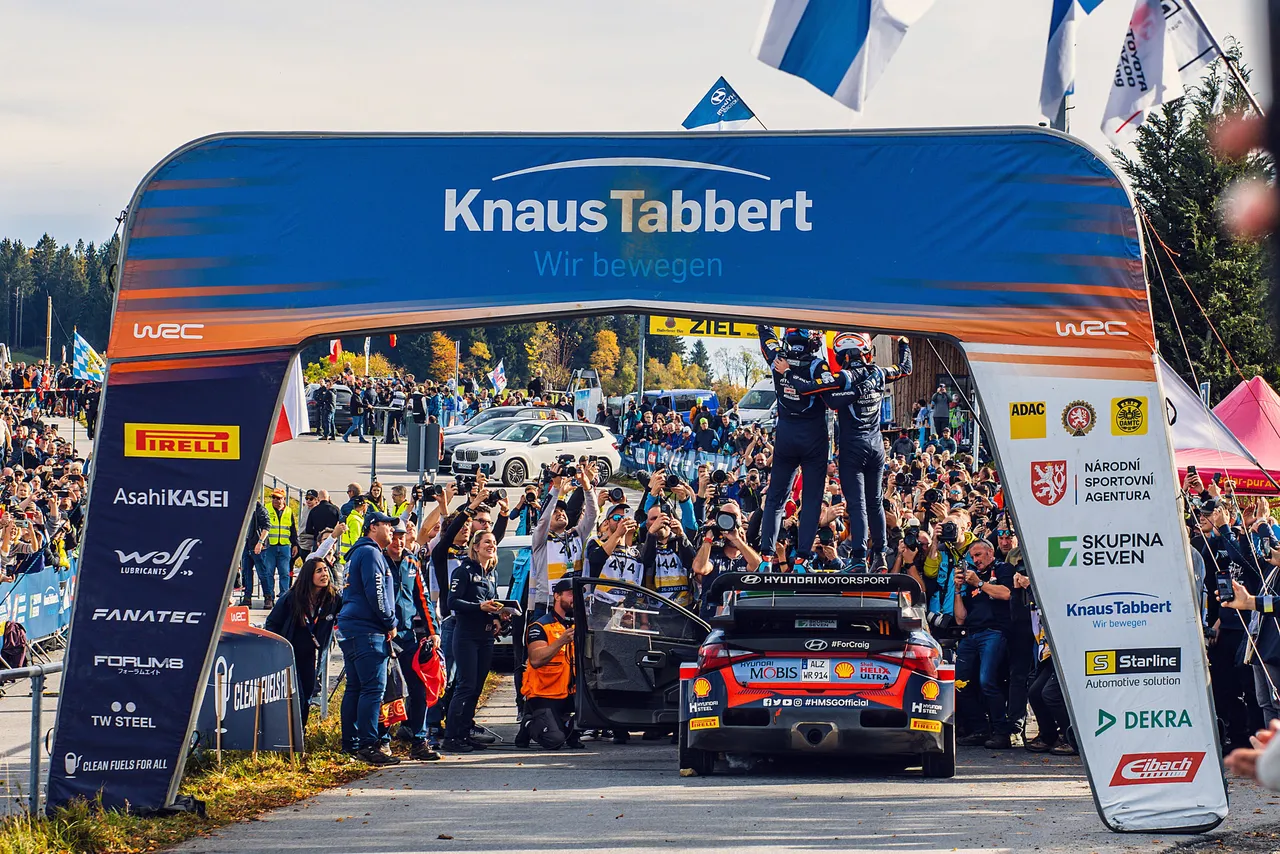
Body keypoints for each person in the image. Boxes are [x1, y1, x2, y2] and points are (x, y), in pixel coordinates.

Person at [786, 332, 911, 571]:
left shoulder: (842, 376)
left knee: (857, 504)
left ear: (841, 356)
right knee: (875, 502)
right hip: (876, 447)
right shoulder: (879, 372)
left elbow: (810, 390)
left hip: (853, 448)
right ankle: (880, 557)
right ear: (867, 352)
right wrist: (903, 342)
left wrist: (788, 373)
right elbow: (906, 367)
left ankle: (857, 560)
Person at [755, 325, 830, 570]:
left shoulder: (778, 357)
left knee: (776, 498)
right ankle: (801, 558)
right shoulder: (818, 366)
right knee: (811, 500)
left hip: (786, 436)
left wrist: (764, 325)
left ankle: (766, 557)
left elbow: (766, 339)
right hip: (814, 438)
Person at [335, 510, 400, 765]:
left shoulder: (359, 552)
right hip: (367, 629)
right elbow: (377, 593)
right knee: (373, 689)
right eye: (388, 525)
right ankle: (368, 745)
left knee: (356, 687)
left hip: (353, 626)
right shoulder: (371, 553)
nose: (392, 530)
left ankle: (350, 744)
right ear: (373, 527)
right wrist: (389, 621)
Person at [444, 529, 508, 753]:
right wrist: (479, 607)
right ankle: (451, 736)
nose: (491, 546)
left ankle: (465, 733)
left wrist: (498, 616)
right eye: (487, 542)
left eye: (494, 542)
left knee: (477, 687)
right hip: (466, 635)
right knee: (465, 685)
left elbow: (488, 603)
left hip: (485, 636)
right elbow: (453, 602)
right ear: (476, 546)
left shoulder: (492, 573)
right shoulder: (464, 571)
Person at [385, 518, 441, 761]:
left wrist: (433, 630)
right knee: (388, 690)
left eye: (402, 536)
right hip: (383, 635)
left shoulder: (411, 560)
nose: (398, 541)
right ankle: (382, 739)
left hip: (408, 635)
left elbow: (423, 598)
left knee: (418, 689)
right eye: (394, 536)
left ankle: (419, 740)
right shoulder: (377, 559)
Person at [264, 558, 341, 726]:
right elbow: (271, 623)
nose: (324, 574)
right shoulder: (292, 597)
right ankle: (288, 735)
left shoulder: (332, 598)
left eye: (325, 570)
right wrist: (277, 649)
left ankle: (300, 736)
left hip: (311, 654)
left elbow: (347, 614)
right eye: (319, 571)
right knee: (295, 694)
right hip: (289, 653)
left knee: (307, 694)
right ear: (308, 576)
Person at [954, 539, 1015, 749]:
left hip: (994, 632)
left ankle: (1002, 732)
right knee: (959, 683)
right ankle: (980, 729)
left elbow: (1007, 594)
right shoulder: (972, 579)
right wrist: (957, 589)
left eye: (978, 555)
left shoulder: (1003, 568)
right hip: (970, 634)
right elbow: (960, 618)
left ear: (990, 552)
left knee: (986, 681)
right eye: (972, 557)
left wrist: (979, 583)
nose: (975, 560)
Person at [516, 578, 581, 750]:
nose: (574, 597)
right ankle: (529, 723)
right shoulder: (540, 625)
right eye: (570, 594)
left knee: (599, 710)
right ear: (557, 596)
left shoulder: (578, 624)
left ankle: (566, 723)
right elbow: (536, 660)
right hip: (544, 694)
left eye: (577, 594)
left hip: (569, 693)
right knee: (554, 740)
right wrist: (560, 641)